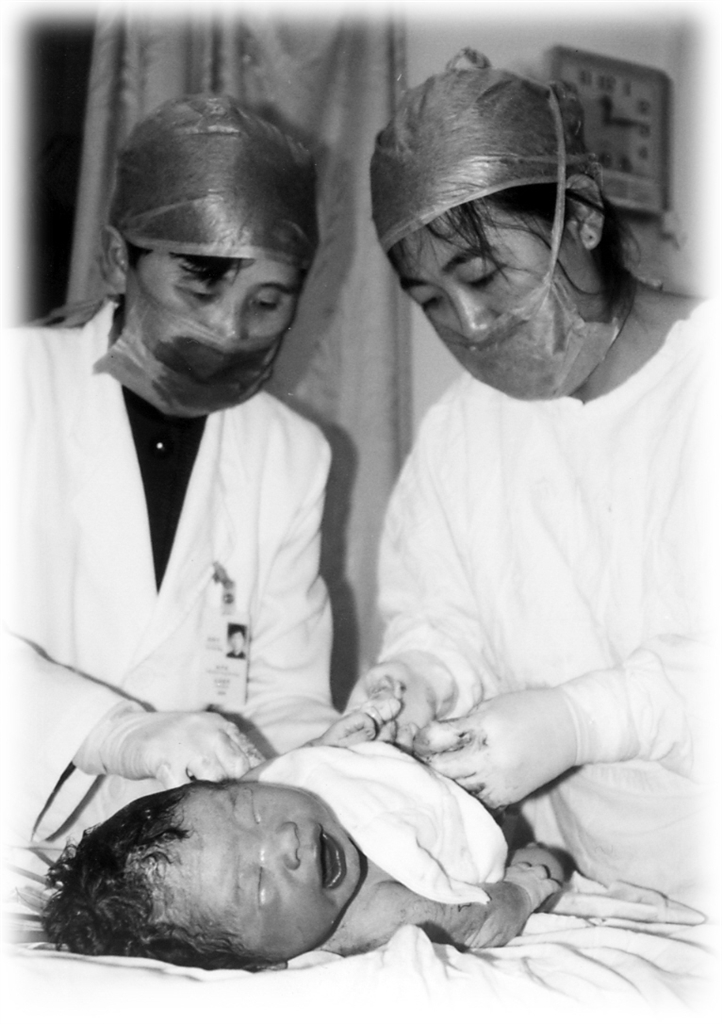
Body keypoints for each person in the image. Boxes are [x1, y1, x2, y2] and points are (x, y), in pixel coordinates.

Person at [349, 50, 718, 911]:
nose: (469, 324)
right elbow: (447, 613)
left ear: (580, 216)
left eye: (483, 277)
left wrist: (581, 720)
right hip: (612, 899)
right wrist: (420, 680)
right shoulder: (464, 430)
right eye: (430, 300)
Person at [2, 94, 340, 849]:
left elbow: (285, 699)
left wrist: (332, 769)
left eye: (267, 302)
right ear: (118, 258)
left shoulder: (290, 454)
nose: (228, 329)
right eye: (200, 284)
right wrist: (115, 733)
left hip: (178, 855)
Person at [41, 703, 564, 970]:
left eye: (248, 808)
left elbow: (272, 773)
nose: (284, 841)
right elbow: (477, 921)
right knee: (550, 860)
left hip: (422, 761)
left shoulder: (258, 796)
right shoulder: (381, 916)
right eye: (257, 884)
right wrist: (523, 888)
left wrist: (326, 746)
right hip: (482, 816)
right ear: (263, 961)